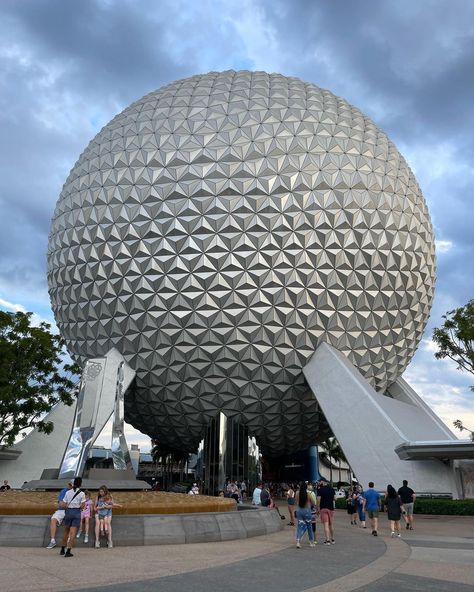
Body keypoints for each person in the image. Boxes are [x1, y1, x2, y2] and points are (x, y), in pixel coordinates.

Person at [59, 476, 86, 557]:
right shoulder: (82, 493)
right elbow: (82, 506)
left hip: (68, 512)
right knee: (73, 533)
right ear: (80, 484)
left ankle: (62, 549)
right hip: (76, 512)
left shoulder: (68, 492)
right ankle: (68, 551)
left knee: (66, 531)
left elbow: (63, 504)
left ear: (73, 484)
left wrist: (68, 506)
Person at [46, 481, 73, 549]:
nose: (70, 486)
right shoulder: (64, 491)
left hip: (71, 510)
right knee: (53, 519)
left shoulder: (78, 492)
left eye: (72, 485)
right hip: (61, 510)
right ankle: (52, 541)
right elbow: (61, 503)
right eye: (69, 485)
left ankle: (69, 541)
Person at [295, 481, 315, 548]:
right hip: (307, 511)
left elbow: (296, 501)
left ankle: (298, 541)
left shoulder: (297, 493)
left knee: (300, 526)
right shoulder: (308, 494)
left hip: (299, 510)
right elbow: (313, 502)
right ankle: (311, 542)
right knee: (309, 526)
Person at [316, 477, 336, 545]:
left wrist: (317, 509)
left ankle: (327, 540)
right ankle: (332, 539)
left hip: (323, 509)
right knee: (331, 524)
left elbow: (318, 500)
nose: (319, 483)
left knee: (326, 525)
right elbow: (335, 498)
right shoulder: (332, 489)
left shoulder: (320, 490)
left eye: (319, 481)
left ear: (322, 481)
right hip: (331, 509)